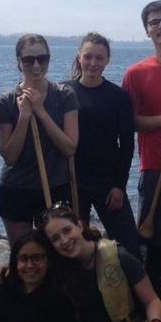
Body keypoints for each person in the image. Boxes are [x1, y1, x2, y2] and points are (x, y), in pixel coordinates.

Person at [121, 0, 161, 292]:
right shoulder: (136, 73)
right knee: (153, 246)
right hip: (153, 166)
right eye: (154, 22)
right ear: (147, 31)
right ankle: (152, 313)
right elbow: (129, 122)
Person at [61, 32, 142, 259]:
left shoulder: (118, 96)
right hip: (73, 182)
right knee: (76, 246)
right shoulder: (64, 92)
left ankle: (134, 293)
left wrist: (119, 186)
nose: (93, 63)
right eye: (88, 57)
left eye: (99, 58)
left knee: (128, 245)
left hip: (108, 183)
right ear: (79, 57)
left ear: (108, 59)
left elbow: (126, 145)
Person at [0, 34, 79, 243]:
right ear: (18, 62)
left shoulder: (64, 95)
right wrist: (24, 118)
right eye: (29, 59)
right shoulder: (6, 101)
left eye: (43, 58)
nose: (37, 64)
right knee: (22, 254)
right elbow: (10, 157)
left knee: (57, 252)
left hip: (55, 186)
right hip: (17, 188)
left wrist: (40, 111)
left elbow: (69, 148)